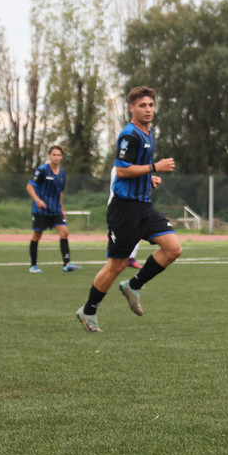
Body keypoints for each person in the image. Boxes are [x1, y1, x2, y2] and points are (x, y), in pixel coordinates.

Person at [76, 86, 182, 333]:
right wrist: (155, 168)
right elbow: (122, 170)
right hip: (125, 210)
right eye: (142, 105)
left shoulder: (148, 133)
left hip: (144, 206)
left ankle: (133, 285)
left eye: (151, 105)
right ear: (132, 108)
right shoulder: (129, 135)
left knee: (173, 248)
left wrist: (148, 178)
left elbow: (135, 168)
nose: (148, 110)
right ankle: (88, 311)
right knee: (117, 264)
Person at [25, 145, 80, 273]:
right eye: (54, 155)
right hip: (41, 210)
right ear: (50, 156)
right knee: (37, 235)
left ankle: (67, 264)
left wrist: (62, 209)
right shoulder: (42, 170)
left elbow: (60, 192)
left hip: (55, 209)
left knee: (64, 232)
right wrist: (37, 200)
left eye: (58, 155)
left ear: (62, 157)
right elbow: (29, 186)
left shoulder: (62, 173)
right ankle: (33, 265)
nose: (56, 157)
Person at [110, 166, 143, 270]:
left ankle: (130, 258)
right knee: (122, 235)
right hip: (120, 207)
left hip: (134, 205)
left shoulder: (134, 167)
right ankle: (119, 259)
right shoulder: (120, 168)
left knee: (138, 231)